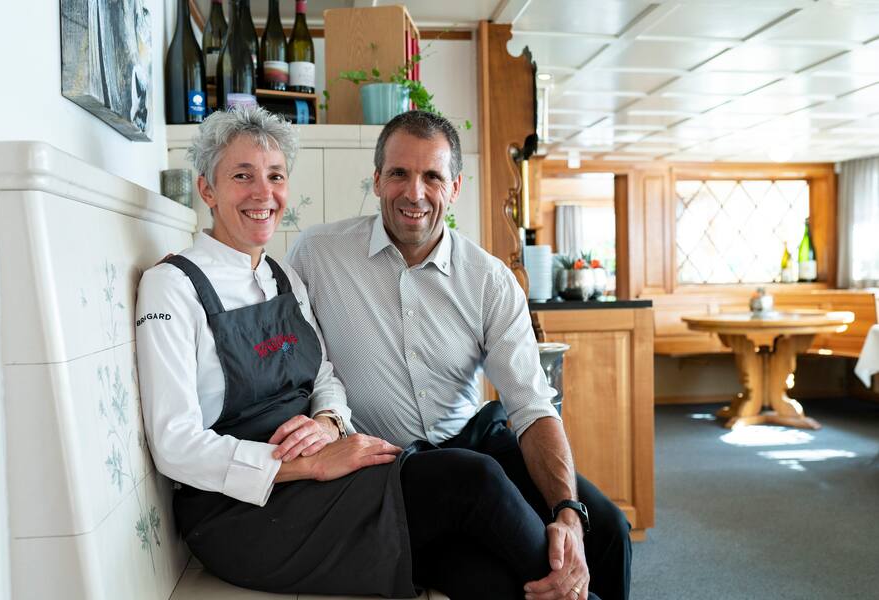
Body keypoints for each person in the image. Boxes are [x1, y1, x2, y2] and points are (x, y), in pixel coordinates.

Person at [135, 107, 560, 599]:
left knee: (485, 578)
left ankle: (569, 584)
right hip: (243, 511)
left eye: (275, 177)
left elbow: (324, 376)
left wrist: (329, 424)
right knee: (473, 478)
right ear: (207, 189)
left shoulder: (282, 276)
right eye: (242, 176)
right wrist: (304, 465)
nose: (262, 193)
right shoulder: (172, 286)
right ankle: (575, 586)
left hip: (320, 481)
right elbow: (174, 444)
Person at [286, 110, 632, 600]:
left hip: (474, 445)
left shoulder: (489, 279)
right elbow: (301, 363)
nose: (415, 193)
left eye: (432, 176)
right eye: (399, 174)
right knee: (496, 579)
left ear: (455, 187)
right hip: (393, 472)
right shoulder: (318, 255)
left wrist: (568, 514)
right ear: (377, 180)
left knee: (609, 531)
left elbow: (531, 407)